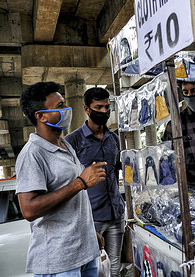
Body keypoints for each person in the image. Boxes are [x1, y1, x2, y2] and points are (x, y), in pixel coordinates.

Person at [16, 81, 106, 276]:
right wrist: (80, 183)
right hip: (60, 262)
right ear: (40, 116)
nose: (68, 109)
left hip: (84, 253)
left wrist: (90, 234)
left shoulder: (64, 144)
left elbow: (74, 204)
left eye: (65, 103)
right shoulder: (32, 154)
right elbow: (29, 209)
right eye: (60, 106)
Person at [65, 87, 125, 277]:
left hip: (116, 214)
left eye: (107, 107)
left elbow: (117, 171)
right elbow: (68, 182)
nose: (104, 112)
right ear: (87, 109)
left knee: (114, 267)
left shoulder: (114, 138)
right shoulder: (72, 141)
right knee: (92, 269)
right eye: (98, 107)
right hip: (91, 217)